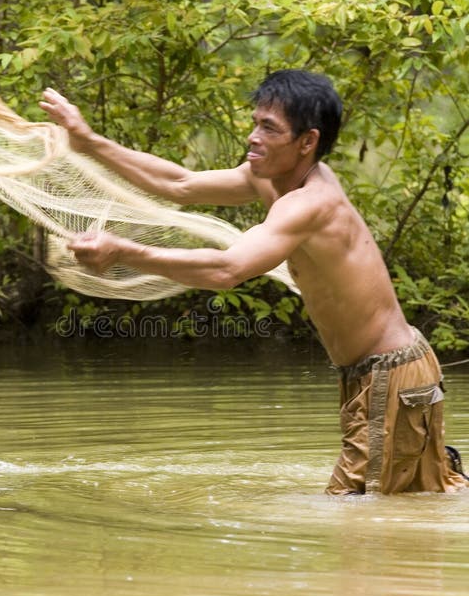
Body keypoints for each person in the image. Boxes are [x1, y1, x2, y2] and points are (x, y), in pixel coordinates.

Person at [40, 70, 467, 495]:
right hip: (383, 374)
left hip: (389, 375)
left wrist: (125, 252)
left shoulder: (311, 204)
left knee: (351, 512)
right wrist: (88, 140)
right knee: (417, 498)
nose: (253, 137)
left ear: (307, 142)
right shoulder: (269, 177)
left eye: (269, 128)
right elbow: (180, 184)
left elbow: (228, 270)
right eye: (255, 122)